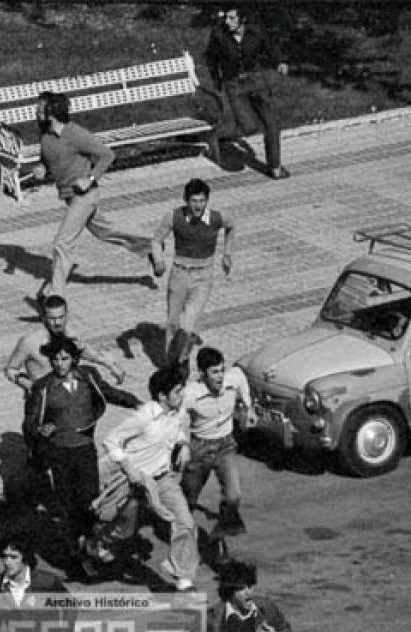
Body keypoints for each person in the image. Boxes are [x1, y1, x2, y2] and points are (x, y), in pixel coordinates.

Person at [23, 334, 140, 575]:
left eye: (65, 358)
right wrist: (39, 431)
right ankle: (78, 556)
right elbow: (29, 422)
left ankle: (88, 545)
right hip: (59, 453)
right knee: (68, 505)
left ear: (74, 359)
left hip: (85, 450)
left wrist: (137, 403)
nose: (60, 364)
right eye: (55, 359)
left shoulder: (89, 377)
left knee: (89, 501)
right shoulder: (43, 387)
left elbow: (110, 393)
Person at [31, 90, 158, 300]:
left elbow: (107, 155)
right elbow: (48, 157)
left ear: (51, 112)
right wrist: (42, 168)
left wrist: (89, 179)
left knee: (62, 244)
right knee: (105, 231)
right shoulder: (45, 136)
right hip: (70, 197)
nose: (35, 111)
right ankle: (150, 245)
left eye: (39, 107)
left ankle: (55, 296)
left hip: (85, 195)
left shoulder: (75, 134)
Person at [102, 368, 198, 591]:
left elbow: (179, 430)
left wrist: (183, 445)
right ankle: (97, 546)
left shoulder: (178, 411)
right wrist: (128, 468)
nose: (181, 395)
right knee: (123, 529)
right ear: (162, 396)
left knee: (185, 521)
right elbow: (111, 441)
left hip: (163, 480)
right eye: (176, 392)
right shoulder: (145, 416)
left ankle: (182, 575)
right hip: (134, 482)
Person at [150, 178, 236, 373]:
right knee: (172, 323)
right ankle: (171, 367)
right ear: (186, 201)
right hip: (179, 274)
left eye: (202, 201)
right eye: (194, 201)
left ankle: (183, 362)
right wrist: (159, 261)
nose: (198, 206)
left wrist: (227, 254)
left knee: (187, 325)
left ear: (207, 201)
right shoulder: (174, 217)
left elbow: (232, 226)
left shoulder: (216, 218)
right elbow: (156, 240)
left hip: (203, 277)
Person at [181, 347, 256, 565]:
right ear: (203, 374)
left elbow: (242, 380)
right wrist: (182, 445)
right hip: (199, 449)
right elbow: (177, 420)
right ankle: (182, 537)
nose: (220, 377)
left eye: (222, 370)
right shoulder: (191, 394)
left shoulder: (233, 379)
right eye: (214, 372)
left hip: (225, 445)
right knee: (188, 499)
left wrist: (249, 407)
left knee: (233, 496)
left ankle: (219, 539)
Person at [205, 5, 290, 180]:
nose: (227, 22)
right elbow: (211, 57)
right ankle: (222, 139)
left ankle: (275, 167)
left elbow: (269, 47)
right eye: (226, 18)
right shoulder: (219, 35)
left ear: (242, 19)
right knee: (248, 127)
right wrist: (216, 78)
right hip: (234, 84)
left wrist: (279, 61)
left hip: (256, 81)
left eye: (232, 18)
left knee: (272, 125)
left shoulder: (255, 33)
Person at [4, 294, 126, 393]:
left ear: (66, 315)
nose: (57, 323)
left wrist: (111, 365)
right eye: (52, 318)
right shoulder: (30, 342)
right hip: (44, 403)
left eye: (61, 317)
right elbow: (10, 369)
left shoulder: (71, 335)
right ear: (44, 318)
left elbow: (88, 352)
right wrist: (29, 385)